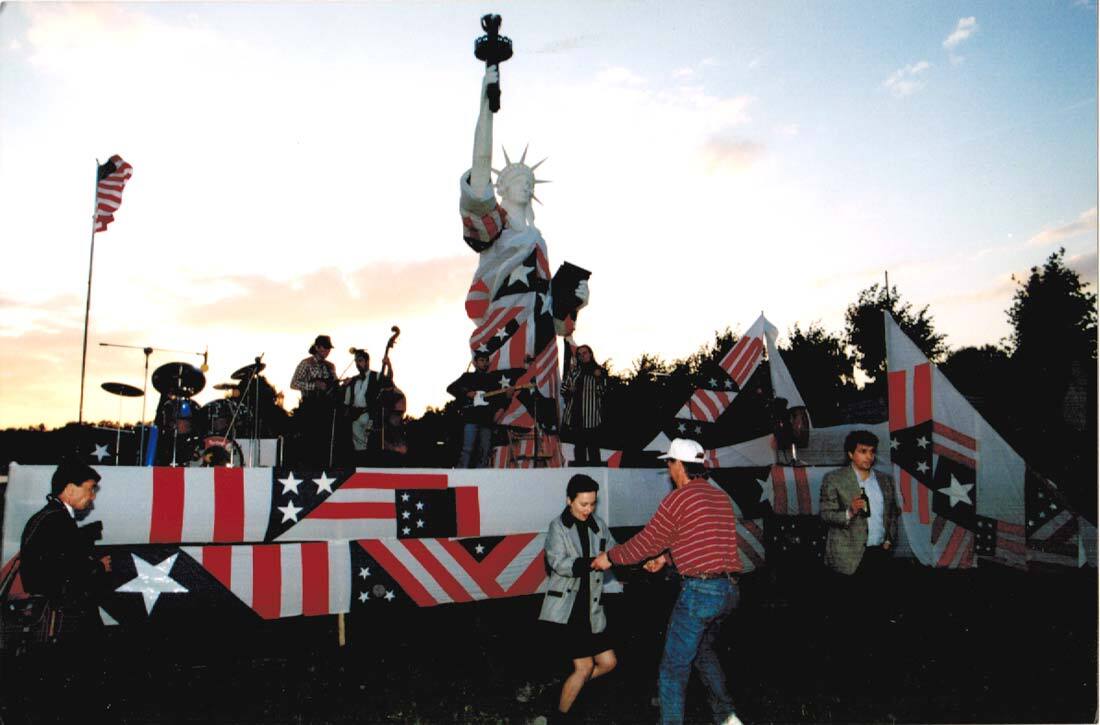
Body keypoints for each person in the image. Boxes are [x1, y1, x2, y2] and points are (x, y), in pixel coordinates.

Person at [459, 66, 589, 449]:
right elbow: (478, 177)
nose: (526, 184)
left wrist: (575, 300)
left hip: (542, 331)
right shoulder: (496, 226)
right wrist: (486, 105)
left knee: (543, 405)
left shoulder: (539, 240)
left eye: (529, 181)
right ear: (500, 187)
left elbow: (560, 320)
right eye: (517, 179)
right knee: (504, 401)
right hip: (504, 326)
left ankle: (544, 457)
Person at [593, 438, 742, 725]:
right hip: (729, 591)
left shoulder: (678, 499)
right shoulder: (718, 497)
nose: (669, 470)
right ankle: (728, 719)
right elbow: (706, 542)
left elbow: (646, 542)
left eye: (669, 463)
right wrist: (666, 560)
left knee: (673, 670)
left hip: (700, 593)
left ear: (678, 466)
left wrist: (609, 558)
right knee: (703, 653)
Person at [18, 461, 113, 719]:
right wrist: (97, 568)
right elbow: (65, 574)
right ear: (70, 489)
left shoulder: (48, 518)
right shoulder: (57, 521)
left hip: (57, 619)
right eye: (90, 489)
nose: (92, 497)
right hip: (67, 621)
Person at [818, 429, 900, 696]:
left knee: (876, 616)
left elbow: (892, 514)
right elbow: (825, 514)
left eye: (872, 452)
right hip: (848, 557)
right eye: (863, 451)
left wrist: (889, 539)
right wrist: (850, 511)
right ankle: (845, 678)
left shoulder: (885, 481)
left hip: (878, 556)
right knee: (847, 619)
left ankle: (874, 675)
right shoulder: (835, 479)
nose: (869, 457)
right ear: (851, 454)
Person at [539, 474, 621, 720]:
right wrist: (593, 563)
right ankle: (559, 717)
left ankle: (564, 690)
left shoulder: (598, 525)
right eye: (583, 504)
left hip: (592, 607)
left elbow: (615, 551)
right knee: (584, 667)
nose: (589, 509)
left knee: (608, 663)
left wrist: (638, 562)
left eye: (593, 503)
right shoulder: (558, 527)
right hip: (569, 608)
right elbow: (558, 562)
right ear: (569, 500)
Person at [290, 334, 338, 467]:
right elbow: (294, 383)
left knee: (325, 442)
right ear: (317, 347)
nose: (327, 351)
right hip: (309, 407)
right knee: (309, 441)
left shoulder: (330, 366)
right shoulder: (306, 363)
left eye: (328, 348)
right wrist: (313, 386)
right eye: (324, 348)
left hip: (326, 408)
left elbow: (335, 386)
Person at [446, 351, 498, 468]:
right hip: (471, 418)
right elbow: (450, 388)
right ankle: (461, 477)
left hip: (486, 420)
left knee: (484, 451)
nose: (484, 363)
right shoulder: (467, 377)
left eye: (486, 361)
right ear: (475, 362)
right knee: (467, 449)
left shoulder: (492, 379)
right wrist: (466, 392)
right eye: (481, 360)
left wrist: (507, 395)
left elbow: (499, 398)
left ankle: (480, 480)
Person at [561, 344, 607, 466]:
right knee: (579, 451)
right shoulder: (574, 372)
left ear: (591, 354)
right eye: (579, 354)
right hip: (575, 417)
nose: (582, 356)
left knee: (593, 451)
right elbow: (563, 389)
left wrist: (598, 380)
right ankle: (580, 476)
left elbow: (603, 392)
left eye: (585, 353)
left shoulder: (600, 371)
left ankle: (596, 479)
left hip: (592, 418)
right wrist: (569, 389)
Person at [343, 348, 388, 466]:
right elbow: (347, 400)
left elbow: (388, 381)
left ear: (367, 361)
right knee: (358, 446)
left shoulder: (376, 375)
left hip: (370, 414)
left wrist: (388, 365)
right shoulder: (353, 380)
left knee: (372, 443)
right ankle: (360, 465)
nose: (358, 364)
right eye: (356, 361)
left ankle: (371, 467)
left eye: (360, 360)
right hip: (355, 415)